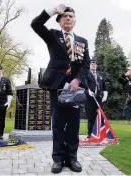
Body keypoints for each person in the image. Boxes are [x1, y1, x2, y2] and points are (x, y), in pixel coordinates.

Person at [31, 4, 90, 173]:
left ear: (75, 20)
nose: (68, 18)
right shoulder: (53, 36)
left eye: (71, 16)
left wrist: (78, 80)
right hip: (56, 87)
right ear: (59, 21)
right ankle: (57, 159)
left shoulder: (82, 41)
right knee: (57, 124)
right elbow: (35, 24)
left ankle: (72, 158)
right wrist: (52, 11)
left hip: (75, 89)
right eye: (65, 16)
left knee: (73, 125)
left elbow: (86, 65)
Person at [84, 58, 108, 138]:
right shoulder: (86, 74)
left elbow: (104, 87)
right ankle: (90, 133)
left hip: (99, 99)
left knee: (99, 116)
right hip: (89, 99)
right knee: (90, 117)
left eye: (94, 64)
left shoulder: (100, 75)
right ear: (89, 65)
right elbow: (83, 86)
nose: (93, 65)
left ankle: (100, 133)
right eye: (92, 64)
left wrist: (105, 94)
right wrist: (88, 92)